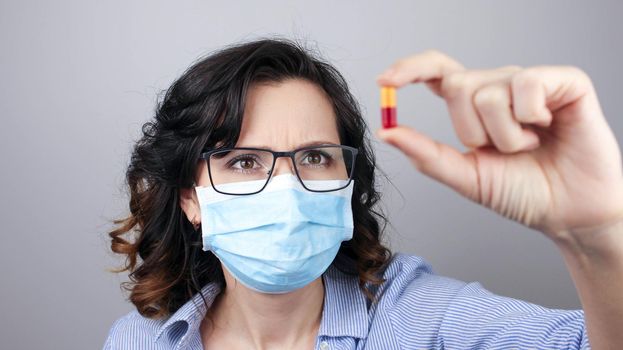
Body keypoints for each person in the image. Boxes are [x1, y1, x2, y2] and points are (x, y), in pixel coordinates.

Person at [103, 38, 623, 349]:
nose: (287, 189)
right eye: (243, 161)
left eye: (314, 157)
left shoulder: (416, 318)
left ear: (347, 183)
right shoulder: (138, 341)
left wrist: (600, 236)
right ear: (190, 198)